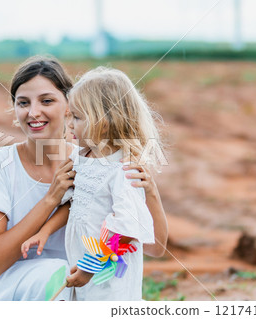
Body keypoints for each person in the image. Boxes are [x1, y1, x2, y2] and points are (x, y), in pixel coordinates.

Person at [0, 56, 167, 301]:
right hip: (3, 287)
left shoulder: (91, 163)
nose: (33, 112)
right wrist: (51, 198)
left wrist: (151, 195)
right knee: (57, 273)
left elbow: (151, 245)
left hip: (77, 281)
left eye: (47, 101)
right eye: (22, 103)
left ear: (68, 106)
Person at [21, 67, 167, 300]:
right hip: (83, 263)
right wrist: (45, 232)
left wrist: (89, 268)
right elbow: (74, 206)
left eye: (77, 117)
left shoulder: (123, 170)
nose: (69, 124)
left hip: (106, 273)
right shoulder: (80, 157)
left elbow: (125, 229)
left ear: (105, 121)